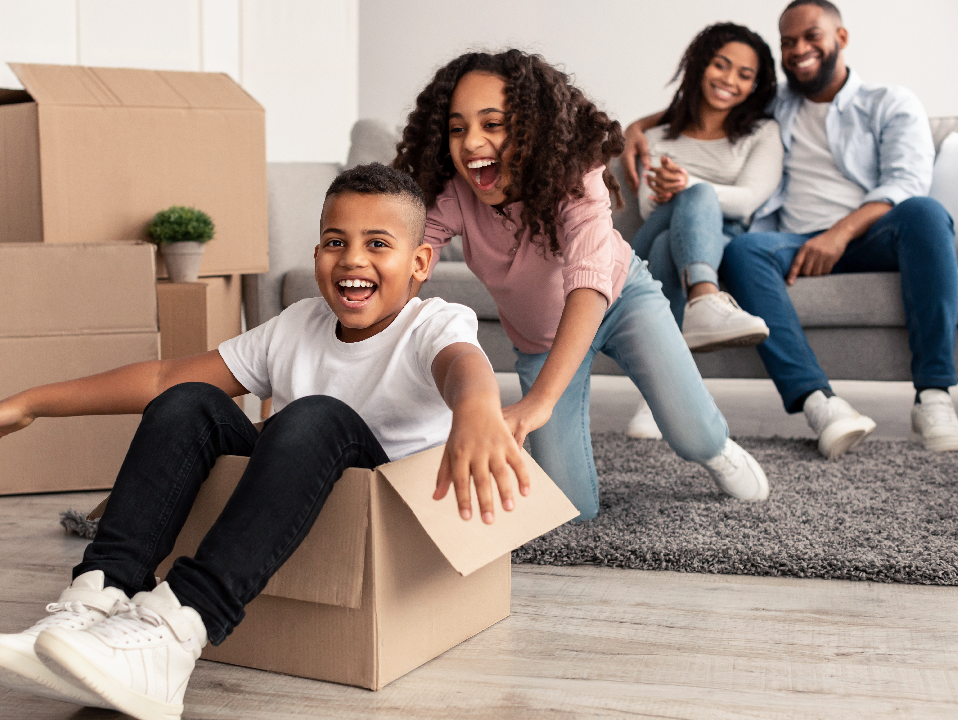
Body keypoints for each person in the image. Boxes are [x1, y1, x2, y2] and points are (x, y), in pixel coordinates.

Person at [0, 164, 530, 720]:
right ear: (317, 251)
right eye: (334, 241)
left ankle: (177, 630)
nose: (353, 260)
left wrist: (477, 412)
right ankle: (97, 602)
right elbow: (165, 378)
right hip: (290, 489)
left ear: (420, 262)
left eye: (378, 244)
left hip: (382, 501)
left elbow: (462, 368)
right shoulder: (298, 324)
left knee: (315, 415)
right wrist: (31, 403)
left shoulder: (434, 322)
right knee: (188, 400)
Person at [394, 49, 771, 523]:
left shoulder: (574, 176)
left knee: (692, 433)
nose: (471, 143)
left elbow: (590, 284)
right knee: (570, 509)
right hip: (541, 339)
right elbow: (408, 262)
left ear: (532, 126)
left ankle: (717, 449)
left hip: (620, 299)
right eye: (457, 127)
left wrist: (536, 405)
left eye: (492, 124)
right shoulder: (454, 194)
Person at [620, 0, 958, 459]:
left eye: (811, 36)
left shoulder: (889, 102)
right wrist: (636, 128)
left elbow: (904, 182)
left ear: (840, 37)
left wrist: (837, 235)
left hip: (873, 234)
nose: (799, 49)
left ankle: (934, 395)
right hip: (792, 242)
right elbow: (704, 105)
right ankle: (819, 404)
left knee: (926, 212)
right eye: (788, 41)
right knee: (744, 251)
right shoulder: (774, 104)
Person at [626, 22, 784, 439]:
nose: (729, 80)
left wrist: (690, 185)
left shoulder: (762, 133)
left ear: (754, 86)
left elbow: (750, 199)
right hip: (656, 231)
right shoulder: (657, 137)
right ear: (701, 65)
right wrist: (679, 192)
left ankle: (656, 397)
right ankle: (703, 301)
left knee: (670, 239)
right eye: (721, 65)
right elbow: (646, 206)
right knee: (681, 212)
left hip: (722, 240)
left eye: (744, 75)